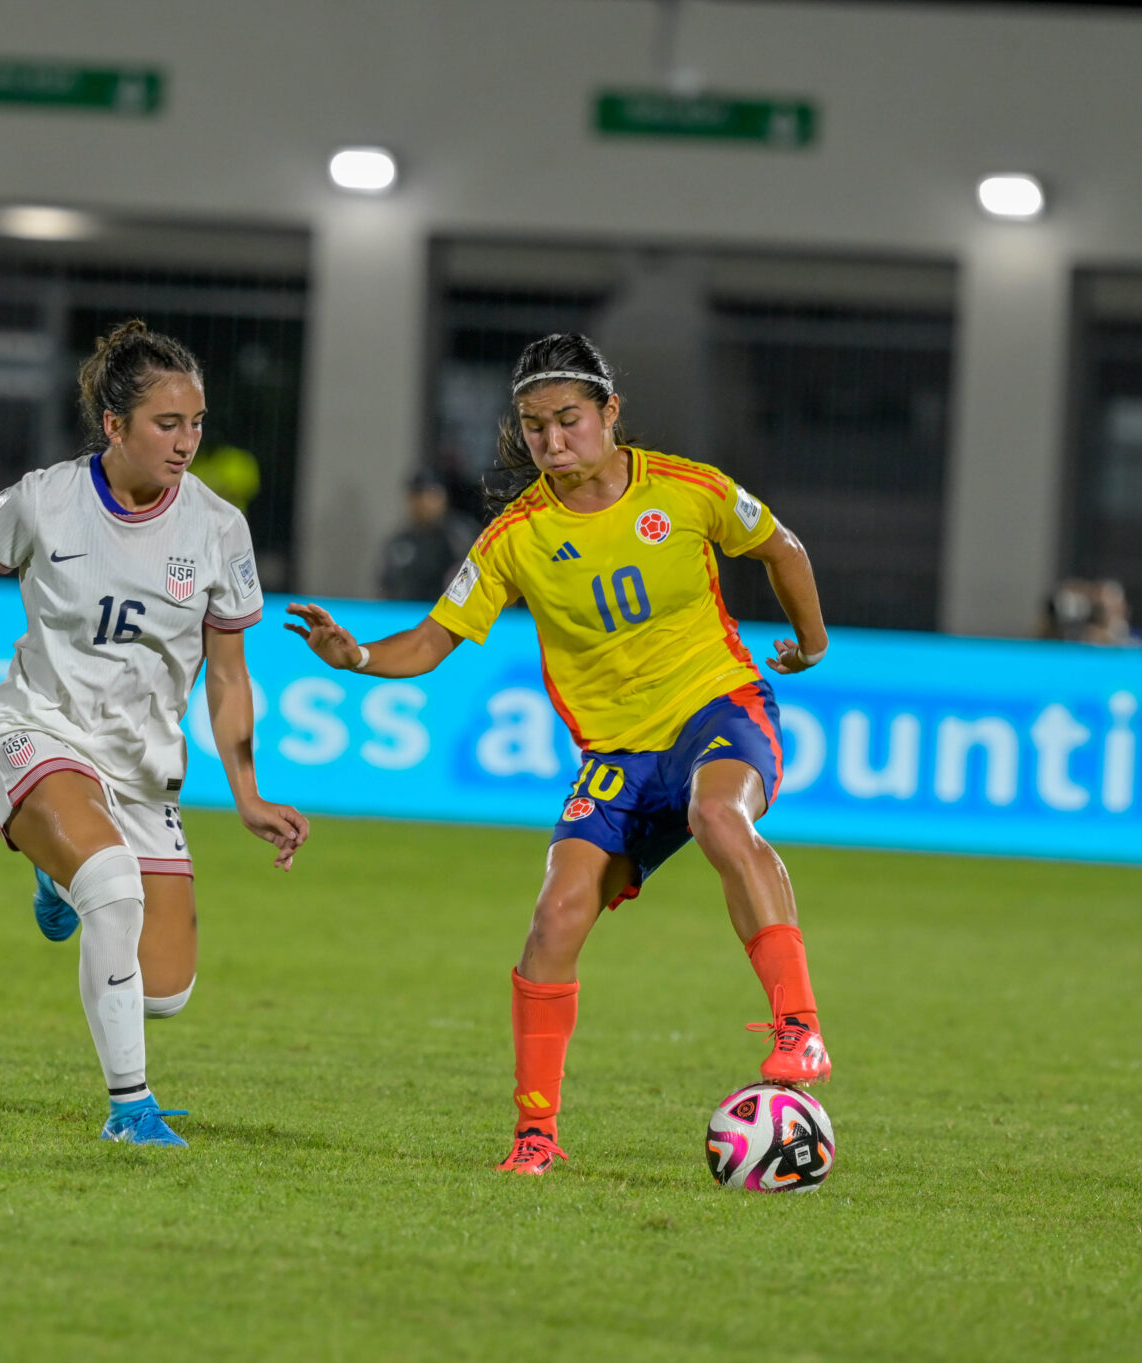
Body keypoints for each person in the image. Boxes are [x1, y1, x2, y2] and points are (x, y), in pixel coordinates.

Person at [287, 332, 832, 1177]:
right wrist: (357, 655)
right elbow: (434, 640)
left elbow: (781, 548)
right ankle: (535, 1135)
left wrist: (812, 640)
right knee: (555, 917)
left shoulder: (688, 490)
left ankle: (798, 1026)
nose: (552, 441)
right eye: (535, 426)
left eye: (569, 419)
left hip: (715, 709)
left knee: (718, 813)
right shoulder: (517, 536)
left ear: (610, 413)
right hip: (615, 756)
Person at [0, 320, 309, 1148]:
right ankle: (130, 1109)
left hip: (140, 769)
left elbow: (232, 673)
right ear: (114, 426)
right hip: (38, 727)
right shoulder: (43, 500)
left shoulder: (218, 528)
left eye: (197, 422)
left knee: (163, 987)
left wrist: (247, 793)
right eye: (167, 424)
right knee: (111, 886)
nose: (187, 442)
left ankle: (53, 873)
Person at [378, 467, 478, 601]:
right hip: (405, 615)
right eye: (416, 495)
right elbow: (387, 586)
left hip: (449, 616)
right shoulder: (400, 542)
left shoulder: (461, 535)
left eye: (430, 494)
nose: (423, 502)